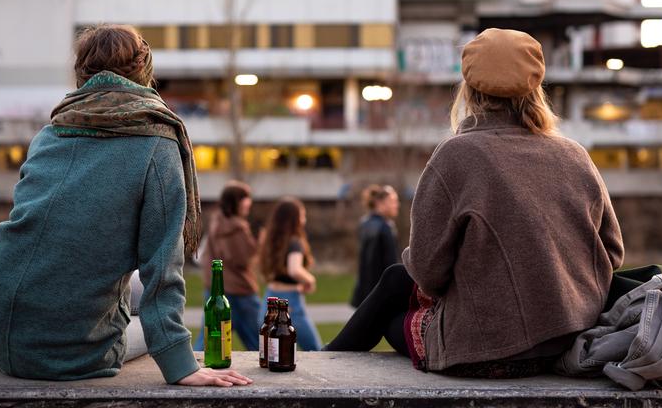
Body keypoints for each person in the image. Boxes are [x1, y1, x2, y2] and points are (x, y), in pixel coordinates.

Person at [0, 25, 251, 387]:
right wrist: (182, 366)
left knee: (128, 289)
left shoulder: (52, 131)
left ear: (83, 70)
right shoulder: (156, 141)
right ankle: (38, 341)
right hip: (66, 351)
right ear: (144, 67)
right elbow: (161, 267)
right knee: (148, 325)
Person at [325, 28, 624, 378]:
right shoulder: (574, 155)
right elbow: (612, 254)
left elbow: (428, 274)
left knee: (393, 307)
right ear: (536, 87)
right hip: (572, 340)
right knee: (394, 279)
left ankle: (320, 364)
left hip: (489, 350)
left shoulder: (457, 155)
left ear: (469, 89)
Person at [193, 180, 261, 351]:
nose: (249, 202)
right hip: (239, 291)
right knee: (259, 340)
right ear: (236, 201)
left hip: (217, 288)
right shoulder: (235, 229)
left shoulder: (218, 223)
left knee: (210, 335)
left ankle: (196, 364)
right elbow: (241, 260)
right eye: (245, 198)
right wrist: (259, 245)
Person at [257, 197, 322, 351]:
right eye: (302, 215)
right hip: (290, 301)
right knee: (315, 349)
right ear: (295, 219)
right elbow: (295, 269)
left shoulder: (271, 240)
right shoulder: (294, 242)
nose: (304, 219)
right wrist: (310, 280)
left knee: (269, 347)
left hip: (270, 295)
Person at [350, 184, 399, 308]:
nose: (396, 205)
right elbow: (391, 265)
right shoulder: (386, 227)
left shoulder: (364, 223)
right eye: (392, 201)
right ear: (380, 203)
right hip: (382, 294)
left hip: (365, 292)